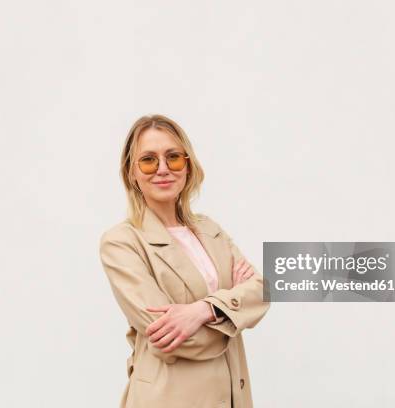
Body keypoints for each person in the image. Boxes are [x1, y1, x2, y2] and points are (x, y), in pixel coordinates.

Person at [99, 114, 270, 408]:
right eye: (149, 160)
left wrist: (203, 311)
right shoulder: (122, 242)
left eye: (174, 157)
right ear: (131, 172)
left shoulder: (209, 229)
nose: (163, 169)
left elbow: (263, 290)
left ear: (188, 166)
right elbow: (168, 337)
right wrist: (235, 314)